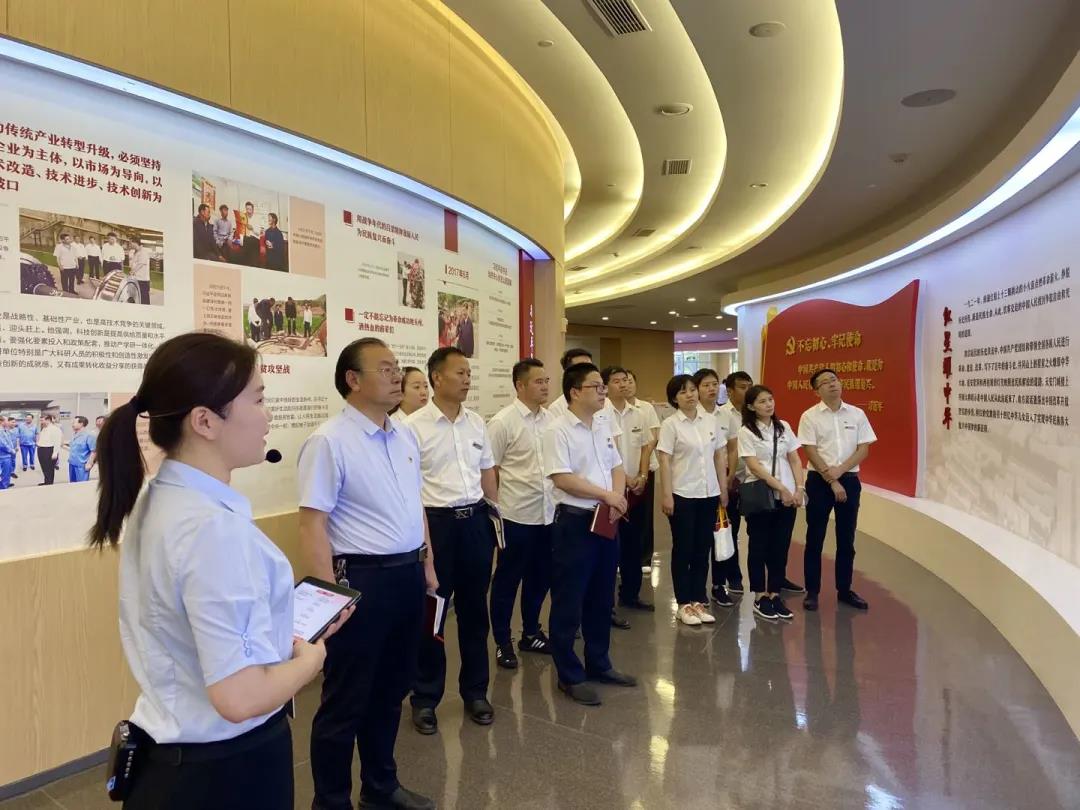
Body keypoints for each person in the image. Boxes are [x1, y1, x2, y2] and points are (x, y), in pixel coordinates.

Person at [87, 332, 352, 809]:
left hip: (175, 763)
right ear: (205, 421)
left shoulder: (165, 500)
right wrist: (311, 660)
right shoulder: (210, 528)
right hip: (224, 773)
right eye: (258, 399)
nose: (267, 415)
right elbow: (239, 697)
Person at [298, 338, 437, 810]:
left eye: (398, 367)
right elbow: (312, 524)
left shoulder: (404, 435)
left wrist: (428, 563)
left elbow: (415, 505)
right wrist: (330, 600)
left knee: (391, 690)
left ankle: (380, 787)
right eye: (385, 369)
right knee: (346, 700)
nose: (397, 375)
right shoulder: (329, 441)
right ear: (353, 380)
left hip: (407, 576)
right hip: (360, 581)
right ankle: (331, 801)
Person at [406, 347, 499, 732]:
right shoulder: (412, 427)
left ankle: (476, 692)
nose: (466, 379)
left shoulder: (476, 423)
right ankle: (426, 697)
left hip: (474, 522)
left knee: (476, 612)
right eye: (459, 373)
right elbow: (408, 488)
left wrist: (493, 516)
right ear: (437, 378)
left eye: (468, 373)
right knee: (434, 612)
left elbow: (487, 471)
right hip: (436, 526)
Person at [543, 362, 636, 706]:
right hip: (575, 523)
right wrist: (606, 495)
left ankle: (599, 663)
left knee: (601, 595)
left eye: (602, 386)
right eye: (596, 386)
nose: (603, 391)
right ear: (574, 391)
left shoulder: (602, 424)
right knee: (569, 599)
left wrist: (617, 497)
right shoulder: (557, 430)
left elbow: (616, 466)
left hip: (606, 519)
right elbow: (562, 478)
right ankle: (569, 675)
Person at [487, 358, 555, 669]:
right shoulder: (503, 422)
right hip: (515, 515)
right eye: (538, 381)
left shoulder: (551, 419)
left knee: (540, 578)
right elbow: (490, 469)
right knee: (507, 581)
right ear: (520, 385)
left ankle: (531, 633)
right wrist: (495, 510)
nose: (545, 386)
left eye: (546, 381)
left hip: (547, 514)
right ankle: (502, 641)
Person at [798, 368, 878, 612]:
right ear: (816, 391)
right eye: (825, 382)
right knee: (815, 538)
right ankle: (812, 592)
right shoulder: (809, 416)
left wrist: (840, 471)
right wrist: (831, 479)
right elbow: (810, 450)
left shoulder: (857, 414)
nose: (832, 384)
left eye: (834, 379)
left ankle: (845, 590)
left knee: (847, 539)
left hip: (850, 481)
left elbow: (864, 449)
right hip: (819, 481)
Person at [658, 374, 728, 626]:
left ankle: (699, 600)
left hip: (708, 493)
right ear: (674, 399)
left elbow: (719, 455)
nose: (689, 395)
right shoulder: (671, 425)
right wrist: (667, 494)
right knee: (683, 548)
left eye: (691, 390)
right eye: (682, 392)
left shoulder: (710, 421)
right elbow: (664, 460)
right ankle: (683, 603)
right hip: (682, 494)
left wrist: (723, 488)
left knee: (702, 548)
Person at [737, 385, 805, 622]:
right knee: (758, 547)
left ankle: (775, 593)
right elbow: (754, 466)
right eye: (762, 401)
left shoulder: (783, 426)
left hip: (788, 497)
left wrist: (799, 488)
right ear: (751, 406)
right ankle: (759, 596)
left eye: (770, 399)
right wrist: (781, 488)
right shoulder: (746, 431)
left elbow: (795, 459)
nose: (769, 404)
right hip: (761, 495)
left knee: (780, 547)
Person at [601, 366, 652, 614]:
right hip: (610, 491)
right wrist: (626, 478)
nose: (622, 384)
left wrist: (642, 476)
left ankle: (630, 595)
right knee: (609, 549)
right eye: (616, 381)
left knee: (634, 545)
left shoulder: (638, 414)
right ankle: (605, 604)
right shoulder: (601, 414)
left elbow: (645, 447)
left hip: (635, 491)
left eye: (625, 380)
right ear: (605, 386)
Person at [712, 371, 753, 600]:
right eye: (743, 387)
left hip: (754, 481)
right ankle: (730, 576)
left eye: (750, 386)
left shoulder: (755, 412)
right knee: (729, 529)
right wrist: (727, 478)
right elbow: (728, 450)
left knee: (757, 533)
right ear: (729, 391)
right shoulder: (722, 415)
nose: (748, 391)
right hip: (731, 480)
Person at [626, 369, 660, 570]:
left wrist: (642, 470)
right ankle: (624, 559)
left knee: (644, 515)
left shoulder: (645, 408)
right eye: (622, 381)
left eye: (630, 381)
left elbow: (654, 436)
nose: (627, 385)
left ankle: (645, 556)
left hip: (646, 468)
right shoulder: (608, 409)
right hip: (623, 472)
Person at [547, 348, 593, 418]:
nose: (588, 372)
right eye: (582, 368)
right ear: (568, 373)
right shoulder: (557, 408)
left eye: (591, 367)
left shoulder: (603, 403)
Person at [67, 416, 97, 483]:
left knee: (81, 485)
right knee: (72, 484)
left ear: (81, 424)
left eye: (74, 422)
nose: (72, 424)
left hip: (82, 465)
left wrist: (90, 463)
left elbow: (94, 451)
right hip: (72, 463)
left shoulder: (89, 435)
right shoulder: (74, 434)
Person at [36, 414, 62, 486]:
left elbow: (57, 442)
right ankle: (46, 481)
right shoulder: (44, 428)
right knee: (44, 467)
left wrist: (55, 452)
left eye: (42, 420)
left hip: (49, 450)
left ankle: (49, 483)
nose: (41, 422)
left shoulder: (55, 429)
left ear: (48, 420)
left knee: (49, 468)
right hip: (41, 449)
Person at [129, 237, 152, 304]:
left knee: (144, 299)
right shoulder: (135, 252)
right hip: (136, 278)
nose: (130, 245)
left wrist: (132, 272)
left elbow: (140, 264)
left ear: (135, 243)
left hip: (142, 279)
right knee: (138, 298)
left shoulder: (143, 251)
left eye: (130, 243)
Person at [239, 201, 262, 266]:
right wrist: (241, 242)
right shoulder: (244, 218)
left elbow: (258, 233)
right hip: (246, 240)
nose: (248, 211)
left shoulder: (257, 219)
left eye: (250, 209)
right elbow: (241, 231)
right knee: (244, 262)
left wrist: (252, 229)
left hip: (254, 241)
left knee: (253, 263)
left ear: (253, 210)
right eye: (247, 209)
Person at [0, 418, 14, 490]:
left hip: (8, 455)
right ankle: (3, 487)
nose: (8, 422)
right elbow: (2, 444)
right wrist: (11, 450)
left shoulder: (5, 430)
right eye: (6, 421)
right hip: (3, 455)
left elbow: (9, 441)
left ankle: (6, 483)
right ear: (1, 422)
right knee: (4, 472)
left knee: (7, 471)